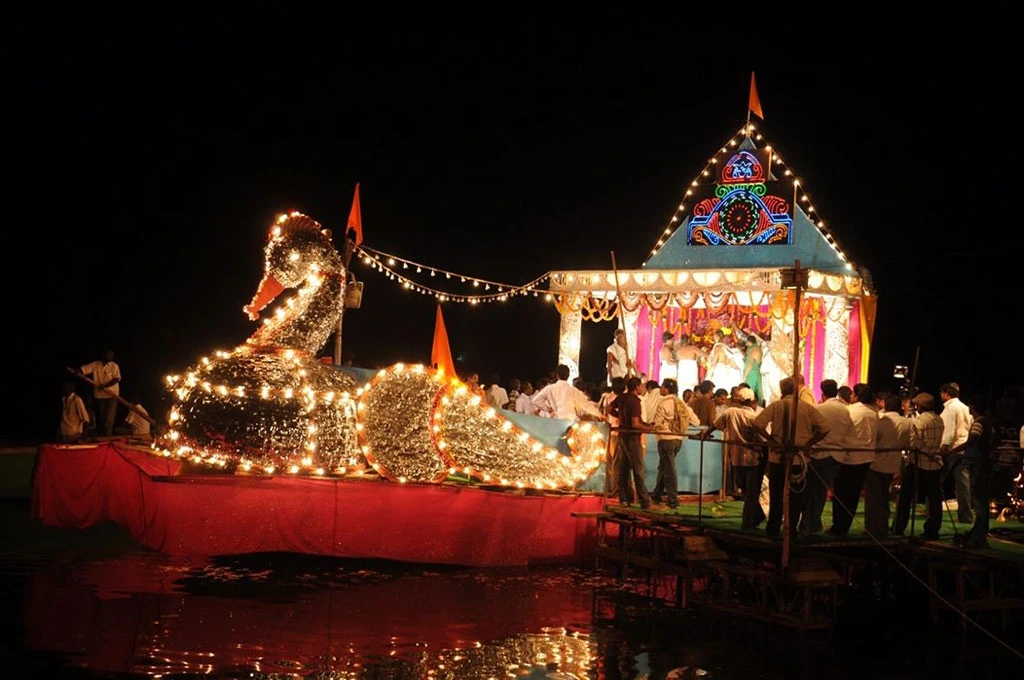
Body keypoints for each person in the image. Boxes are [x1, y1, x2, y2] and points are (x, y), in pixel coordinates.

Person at [751, 377, 830, 537]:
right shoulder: (806, 408)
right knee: (796, 497)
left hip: (778, 458)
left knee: (776, 494)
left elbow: (757, 423)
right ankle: (791, 527)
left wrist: (771, 440)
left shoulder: (777, 406)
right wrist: (809, 443)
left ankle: (773, 528)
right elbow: (825, 428)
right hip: (798, 459)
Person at [894, 393, 946, 539]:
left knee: (905, 497)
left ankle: (899, 527)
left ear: (920, 406)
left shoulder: (918, 421)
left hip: (918, 463)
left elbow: (914, 444)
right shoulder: (939, 419)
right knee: (934, 500)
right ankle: (932, 530)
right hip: (934, 465)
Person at [952, 394, 997, 549]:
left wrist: (952, 451)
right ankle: (977, 534)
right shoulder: (988, 423)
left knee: (979, 502)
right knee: (980, 501)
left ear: (973, 407)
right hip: (983, 464)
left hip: (977, 464)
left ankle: (978, 537)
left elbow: (972, 440)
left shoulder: (979, 423)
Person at [614, 376, 654, 509]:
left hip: (622, 436)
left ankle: (624, 498)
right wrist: (649, 428)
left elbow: (609, 408)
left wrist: (620, 417)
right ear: (637, 387)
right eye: (641, 385)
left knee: (624, 468)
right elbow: (635, 424)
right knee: (638, 470)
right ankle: (644, 501)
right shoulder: (635, 402)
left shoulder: (621, 397)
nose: (643, 388)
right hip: (632, 438)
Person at [650, 378, 686, 508]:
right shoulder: (681, 403)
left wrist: (654, 426)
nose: (661, 389)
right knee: (664, 467)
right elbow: (695, 420)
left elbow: (658, 423)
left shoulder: (663, 403)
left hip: (666, 438)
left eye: (663, 387)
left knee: (669, 470)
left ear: (667, 389)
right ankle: (657, 494)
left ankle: (673, 500)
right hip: (678, 439)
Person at [80, 349, 121, 437]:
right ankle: (103, 435)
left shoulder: (114, 366)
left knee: (109, 418)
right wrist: (78, 372)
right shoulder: (96, 364)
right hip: (100, 395)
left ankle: (108, 435)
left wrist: (105, 386)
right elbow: (84, 369)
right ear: (103, 355)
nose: (111, 357)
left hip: (112, 394)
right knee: (102, 418)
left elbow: (116, 379)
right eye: (109, 354)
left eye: (112, 355)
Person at [741, 333, 764, 405]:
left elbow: (749, 364)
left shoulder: (752, 349)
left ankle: (750, 406)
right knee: (759, 391)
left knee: (749, 391)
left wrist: (744, 377)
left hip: (751, 373)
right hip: (757, 372)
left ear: (749, 342)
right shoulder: (759, 348)